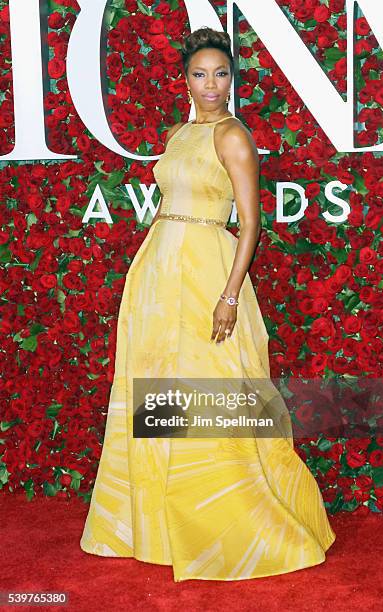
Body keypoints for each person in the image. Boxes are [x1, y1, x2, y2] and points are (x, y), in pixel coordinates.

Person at [80, 27, 336, 582]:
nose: (212, 84)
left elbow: (251, 224)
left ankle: (229, 522)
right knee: (157, 392)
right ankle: (160, 529)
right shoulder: (179, 133)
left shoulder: (232, 136)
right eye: (201, 73)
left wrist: (227, 295)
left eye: (221, 73)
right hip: (157, 272)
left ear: (231, 80)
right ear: (185, 80)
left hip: (208, 273)